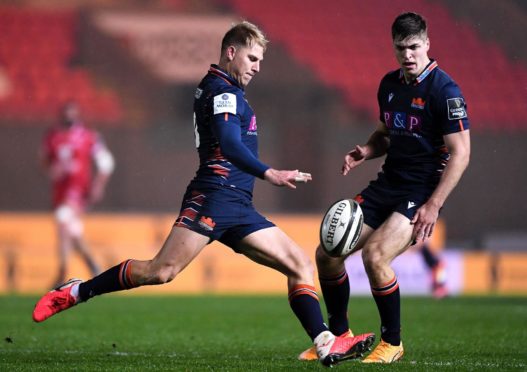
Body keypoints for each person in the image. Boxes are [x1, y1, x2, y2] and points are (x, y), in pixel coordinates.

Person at [33, 22, 375, 367]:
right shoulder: (222, 91)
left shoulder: (226, 90)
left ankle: (325, 342)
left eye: (260, 60)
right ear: (231, 52)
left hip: (239, 205)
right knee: (160, 271)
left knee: (299, 264)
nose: (257, 67)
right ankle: (77, 291)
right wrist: (268, 172)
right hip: (213, 197)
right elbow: (228, 143)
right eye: (252, 58)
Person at [298, 12, 470, 363]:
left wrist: (434, 205)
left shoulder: (445, 91)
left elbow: (461, 153)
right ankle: (340, 336)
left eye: (414, 47)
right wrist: (366, 150)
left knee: (375, 256)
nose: (407, 55)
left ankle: (392, 343)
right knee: (326, 255)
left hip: (421, 190)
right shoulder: (389, 86)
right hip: (387, 183)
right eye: (401, 48)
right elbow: (386, 136)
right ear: (393, 47)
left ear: (427, 44)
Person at [40, 101, 114, 288]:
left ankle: (62, 272)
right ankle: (93, 264)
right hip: (60, 191)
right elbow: (44, 159)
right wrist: (51, 170)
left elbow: (106, 162)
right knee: (72, 232)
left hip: (79, 191)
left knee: (63, 221)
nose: (69, 117)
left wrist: (98, 185)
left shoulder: (89, 136)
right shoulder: (53, 137)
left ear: (78, 114)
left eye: (72, 113)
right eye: (66, 113)